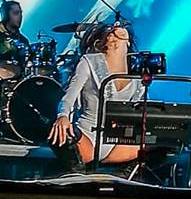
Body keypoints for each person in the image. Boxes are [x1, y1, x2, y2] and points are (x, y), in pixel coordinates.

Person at [48, 22, 144, 167]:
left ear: (128, 41)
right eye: (110, 32)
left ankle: (121, 170)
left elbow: (141, 107)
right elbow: (69, 97)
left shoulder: (137, 68)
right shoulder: (89, 61)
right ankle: (78, 169)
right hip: (88, 137)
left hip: (120, 142)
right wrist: (63, 116)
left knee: (165, 141)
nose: (116, 29)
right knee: (62, 134)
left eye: (120, 30)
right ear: (103, 41)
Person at [0, 0, 30, 81]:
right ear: (6, 15)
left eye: (21, 13)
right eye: (16, 13)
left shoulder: (24, 40)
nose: (20, 17)